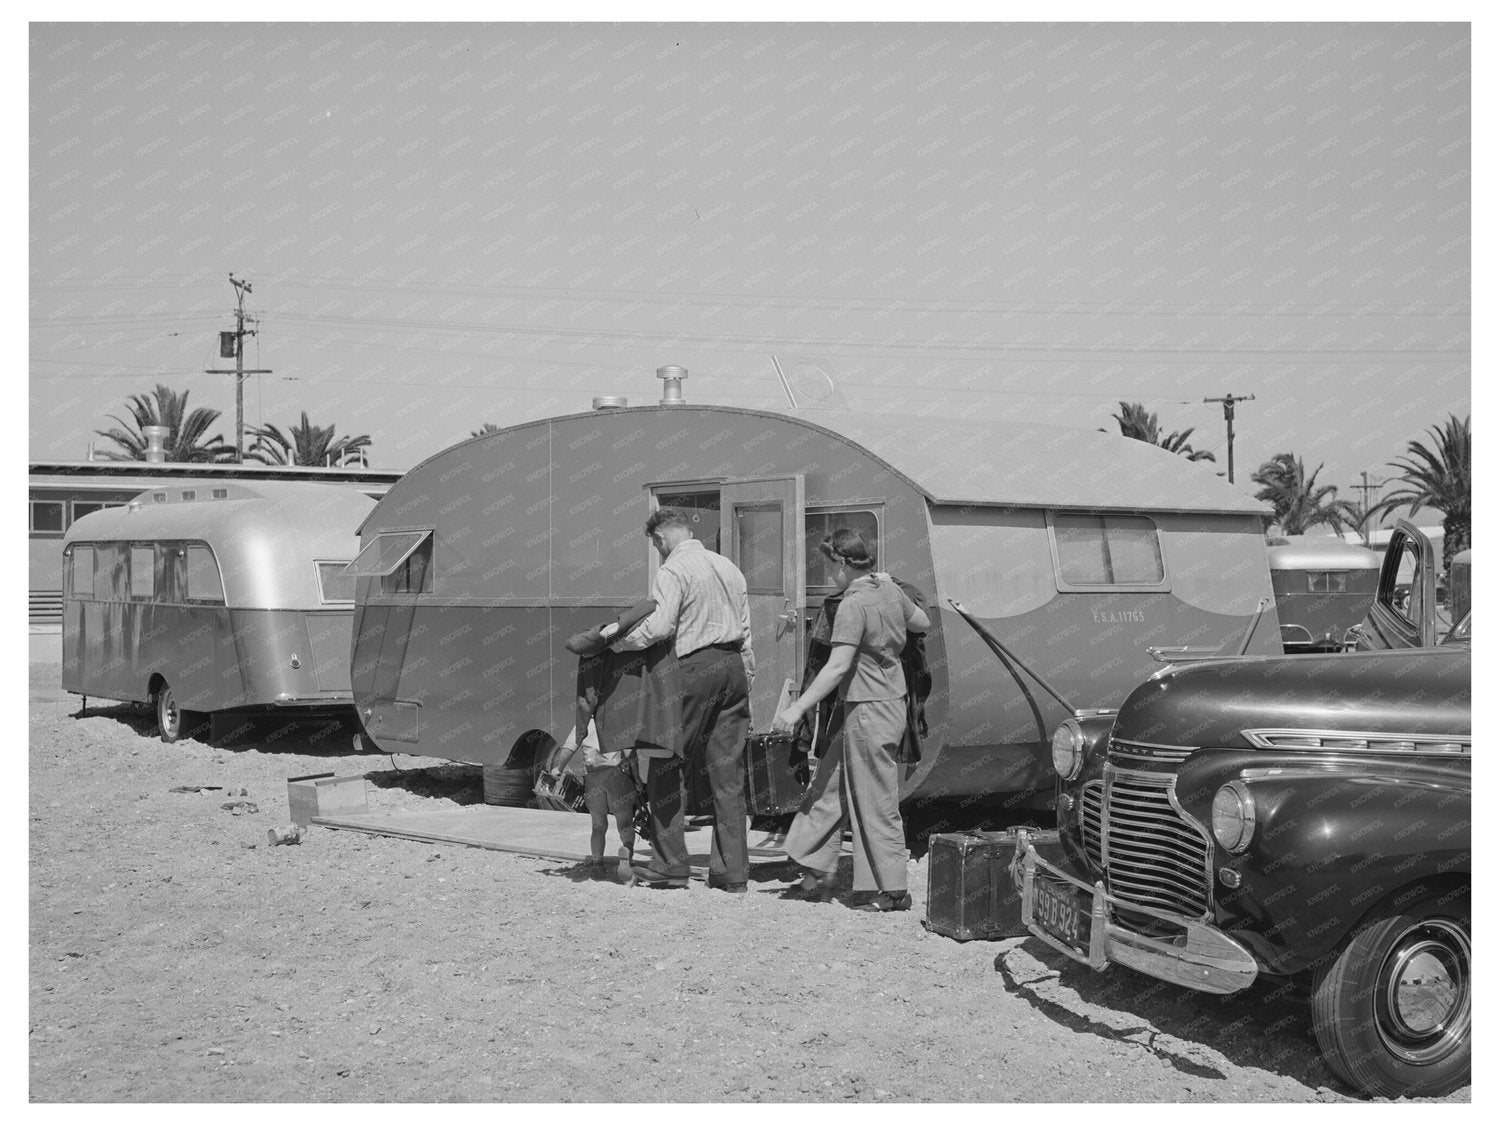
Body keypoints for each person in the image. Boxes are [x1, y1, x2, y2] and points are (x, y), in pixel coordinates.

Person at [771, 528, 929, 912]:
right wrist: (895, 590)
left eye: (828, 565)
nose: (828, 573)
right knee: (829, 784)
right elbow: (921, 623)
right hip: (882, 704)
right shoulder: (889, 590)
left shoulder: (852, 604)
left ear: (841, 563)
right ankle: (811, 867)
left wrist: (795, 709)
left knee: (875, 800)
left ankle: (893, 891)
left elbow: (836, 667)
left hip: (869, 709)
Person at [612, 507, 755, 892]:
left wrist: (618, 642)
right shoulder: (728, 567)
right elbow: (745, 628)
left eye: (656, 545)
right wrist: (747, 679)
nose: (657, 551)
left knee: (665, 762)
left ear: (660, 538)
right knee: (727, 773)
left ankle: (669, 866)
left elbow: (660, 626)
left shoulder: (673, 570)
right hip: (733, 667)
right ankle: (732, 873)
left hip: (694, 669)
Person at [566, 599, 681, 885]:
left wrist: (557, 768)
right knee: (624, 822)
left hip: (593, 776)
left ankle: (595, 864)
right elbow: (637, 747)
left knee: (597, 824)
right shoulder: (626, 714)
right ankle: (626, 855)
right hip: (619, 774)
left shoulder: (593, 717)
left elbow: (572, 742)